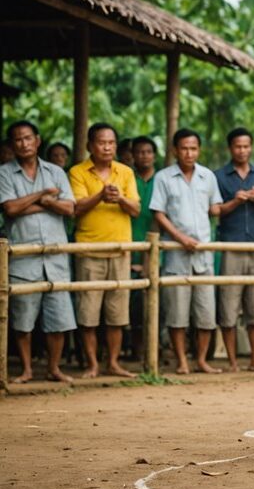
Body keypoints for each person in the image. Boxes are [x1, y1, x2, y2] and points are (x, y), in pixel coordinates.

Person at [0, 121, 76, 383]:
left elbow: (69, 209)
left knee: (59, 317)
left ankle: (54, 368)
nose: (24, 143)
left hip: (55, 256)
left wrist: (30, 203)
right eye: (18, 140)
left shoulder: (56, 171)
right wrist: (44, 196)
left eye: (28, 138)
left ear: (38, 140)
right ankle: (26, 369)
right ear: (12, 144)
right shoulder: (5, 174)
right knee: (23, 320)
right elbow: (9, 209)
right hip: (23, 258)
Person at [68, 122, 140, 378]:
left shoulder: (125, 172)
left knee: (117, 314)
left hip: (121, 249)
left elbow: (136, 209)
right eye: (101, 142)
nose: (107, 147)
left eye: (111, 143)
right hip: (89, 250)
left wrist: (119, 198)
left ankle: (113, 363)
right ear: (90, 145)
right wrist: (100, 195)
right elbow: (75, 207)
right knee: (88, 314)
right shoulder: (77, 172)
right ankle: (92, 364)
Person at [150, 128, 222, 374]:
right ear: (174, 150)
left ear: (198, 150)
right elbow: (158, 213)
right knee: (177, 314)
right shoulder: (163, 178)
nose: (189, 153)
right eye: (184, 148)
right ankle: (181, 360)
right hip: (176, 255)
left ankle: (201, 359)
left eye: (193, 148)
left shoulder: (208, 177)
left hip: (204, 254)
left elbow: (215, 208)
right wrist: (179, 237)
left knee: (206, 314)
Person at [214, 128, 254, 373]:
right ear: (231, 148)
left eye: (246, 146)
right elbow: (216, 210)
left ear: (251, 147)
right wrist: (235, 201)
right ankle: (231, 361)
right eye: (238, 146)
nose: (242, 150)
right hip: (231, 245)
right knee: (228, 307)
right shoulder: (219, 176)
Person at [128, 135, 159, 362]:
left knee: (158, 305)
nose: (144, 156)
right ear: (132, 155)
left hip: (159, 249)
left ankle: (155, 351)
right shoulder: (127, 178)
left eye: (148, 152)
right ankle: (136, 351)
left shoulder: (163, 179)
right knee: (132, 306)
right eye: (139, 152)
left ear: (154, 155)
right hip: (130, 244)